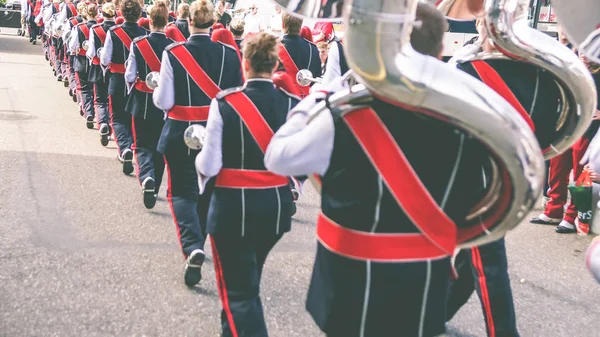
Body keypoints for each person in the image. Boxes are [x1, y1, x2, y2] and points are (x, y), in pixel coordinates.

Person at [264, 3, 489, 337]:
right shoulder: (469, 124)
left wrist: (320, 96)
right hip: (423, 285)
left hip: (348, 288)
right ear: (441, 48)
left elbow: (277, 158)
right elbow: (477, 203)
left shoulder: (342, 115)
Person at [195, 31, 298, 337]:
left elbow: (210, 165)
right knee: (247, 286)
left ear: (246, 63)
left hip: (233, 209)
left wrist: (197, 162)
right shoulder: (291, 104)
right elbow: (297, 165)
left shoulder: (225, 103)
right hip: (276, 208)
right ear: (275, 62)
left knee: (239, 294)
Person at [152, 0, 243, 287]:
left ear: (188, 21)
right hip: (217, 132)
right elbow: (237, 98)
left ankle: (192, 247)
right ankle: (198, 243)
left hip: (180, 131)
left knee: (180, 192)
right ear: (215, 21)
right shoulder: (230, 54)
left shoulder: (174, 53)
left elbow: (164, 101)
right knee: (206, 193)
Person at [125, 0, 172, 209]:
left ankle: (146, 177)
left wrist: (130, 89)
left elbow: (129, 74)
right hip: (165, 106)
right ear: (167, 21)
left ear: (150, 21)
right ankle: (155, 183)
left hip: (142, 101)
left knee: (142, 144)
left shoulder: (138, 43)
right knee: (159, 148)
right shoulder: (174, 48)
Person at [100, 0, 145, 175]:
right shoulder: (144, 33)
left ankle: (125, 147)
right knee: (130, 117)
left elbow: (105, 58)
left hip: (118, 79)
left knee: (117, 118)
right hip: (137, 83)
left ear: (121, 13)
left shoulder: (114, 32)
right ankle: (129, 146)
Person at [87, 2, 117, 145]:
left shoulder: (95, 29)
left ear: (102, 14)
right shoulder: (119, 30)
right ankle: (110, 125)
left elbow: (91, 51)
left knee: (100, 99)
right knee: (112, 99)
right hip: (116, 69)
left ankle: (103, 123)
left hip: (98, 67)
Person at [278, 12, 320, 97]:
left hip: (282, 100)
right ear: (300, 25)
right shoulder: (313, 48)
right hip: (304, 100)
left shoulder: (274, 48)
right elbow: (316, 77)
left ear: (282, 24)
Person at [69, 2, 97, 128]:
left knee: (84, 89)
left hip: (81, 60)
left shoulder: (79, 27)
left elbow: (72, 46)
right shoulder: (99, 28)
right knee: (93, 89)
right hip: (95, 63)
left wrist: (76, 50)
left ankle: (89, 111)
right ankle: (92, 111)